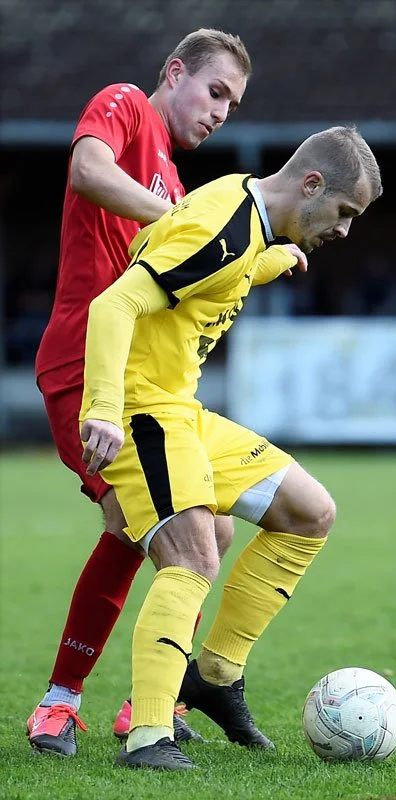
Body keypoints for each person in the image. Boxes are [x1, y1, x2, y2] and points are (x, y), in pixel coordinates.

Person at [79, 125, 382, 770]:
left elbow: (218, 266)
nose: (344, 229)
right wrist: (101, 410)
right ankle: (149, 735)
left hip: (180, 411)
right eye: (344, 212)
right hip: (140, 410)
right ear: (311, 184)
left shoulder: (245, 213)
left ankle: (215, 675)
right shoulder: (224, 226)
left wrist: (272, 261)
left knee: (309, 513)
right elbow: (114, 306)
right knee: (193, 555)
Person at [27, 28, 252, 756]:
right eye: (215, 92)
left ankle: (115, 702)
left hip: (138, 382)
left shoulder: (178, 187)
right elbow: (87, 171)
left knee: (198, 528)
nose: (220, 113)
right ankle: (94, 703)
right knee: (160, 525)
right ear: (174, 72)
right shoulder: (125, 105)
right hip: (82, 367)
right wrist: (181, 224)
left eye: (232, 105)